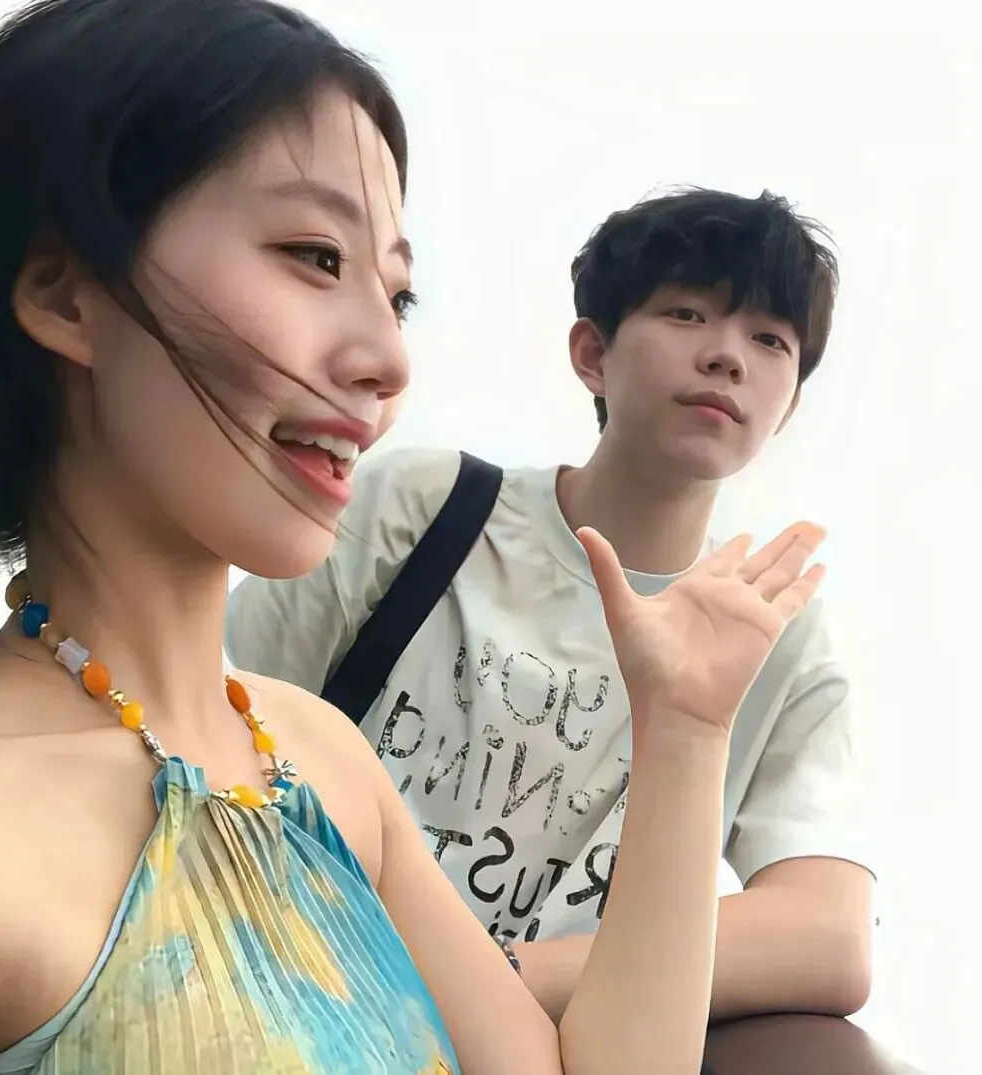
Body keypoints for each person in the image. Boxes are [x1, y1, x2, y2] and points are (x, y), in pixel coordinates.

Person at [0, 1, 828, 1073]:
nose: (389, 360)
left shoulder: (321, 755)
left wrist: (686, 730)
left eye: (398, 294)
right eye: (314, 255)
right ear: (65, 296)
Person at [226, 188, 875, 1023]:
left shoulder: (773, 632)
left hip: (533, 1043)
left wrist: (493, 977)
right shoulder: (428, 507)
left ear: (788, 405)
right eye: (686, 314)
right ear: (592, 354)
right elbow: (213, 711)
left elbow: (830, 937)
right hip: (286, 990)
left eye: (770, 339)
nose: (726, 357)